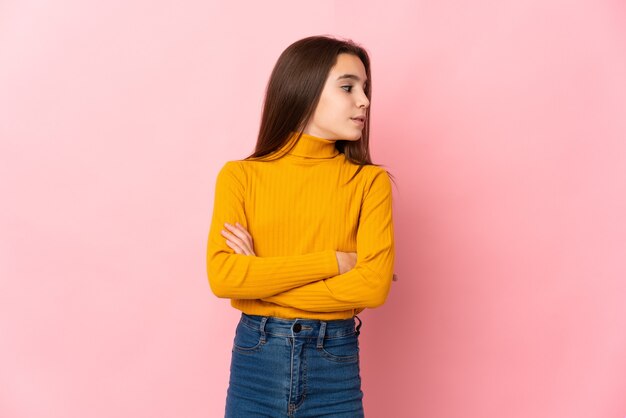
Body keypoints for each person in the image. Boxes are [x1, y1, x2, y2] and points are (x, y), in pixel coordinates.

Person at [206, 34, 396, 418]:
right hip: (256, 363)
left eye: (364, 88)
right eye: (348, 87)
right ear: (304, 90)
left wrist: (258, 285)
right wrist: (335, 263)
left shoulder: (369, 183)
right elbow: (224, 277)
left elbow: (373, 287)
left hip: (334, 367)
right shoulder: (240, 176)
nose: (364, 101)